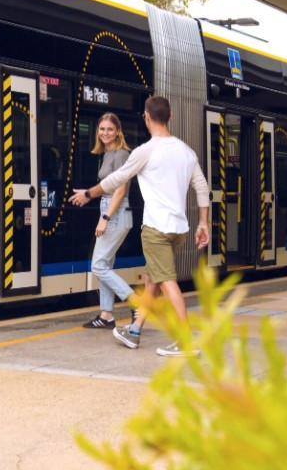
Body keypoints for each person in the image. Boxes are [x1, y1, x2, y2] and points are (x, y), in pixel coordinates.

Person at [69, 96, 210, 357]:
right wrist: (203, 222)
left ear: (146, 117)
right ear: (170, 117)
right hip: (179, 229)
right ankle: (134, 331)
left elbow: (116, 180)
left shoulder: (145, 151)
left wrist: (88, 194)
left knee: (166, 281)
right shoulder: (186, 151)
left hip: (156, 229)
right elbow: (202, 187)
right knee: (152, 279)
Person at [80, 113, 136, 329]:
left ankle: (136, 302)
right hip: (111, 209)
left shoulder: (121, 154)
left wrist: (105, 218)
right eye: (102, 129)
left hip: (115, 212)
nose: (105, 133)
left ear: (118, 131)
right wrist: (89, 197)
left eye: (110, 129)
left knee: (98, 265)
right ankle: (106, 316)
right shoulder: (108, 153)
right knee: (106, 265)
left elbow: (120, 191)